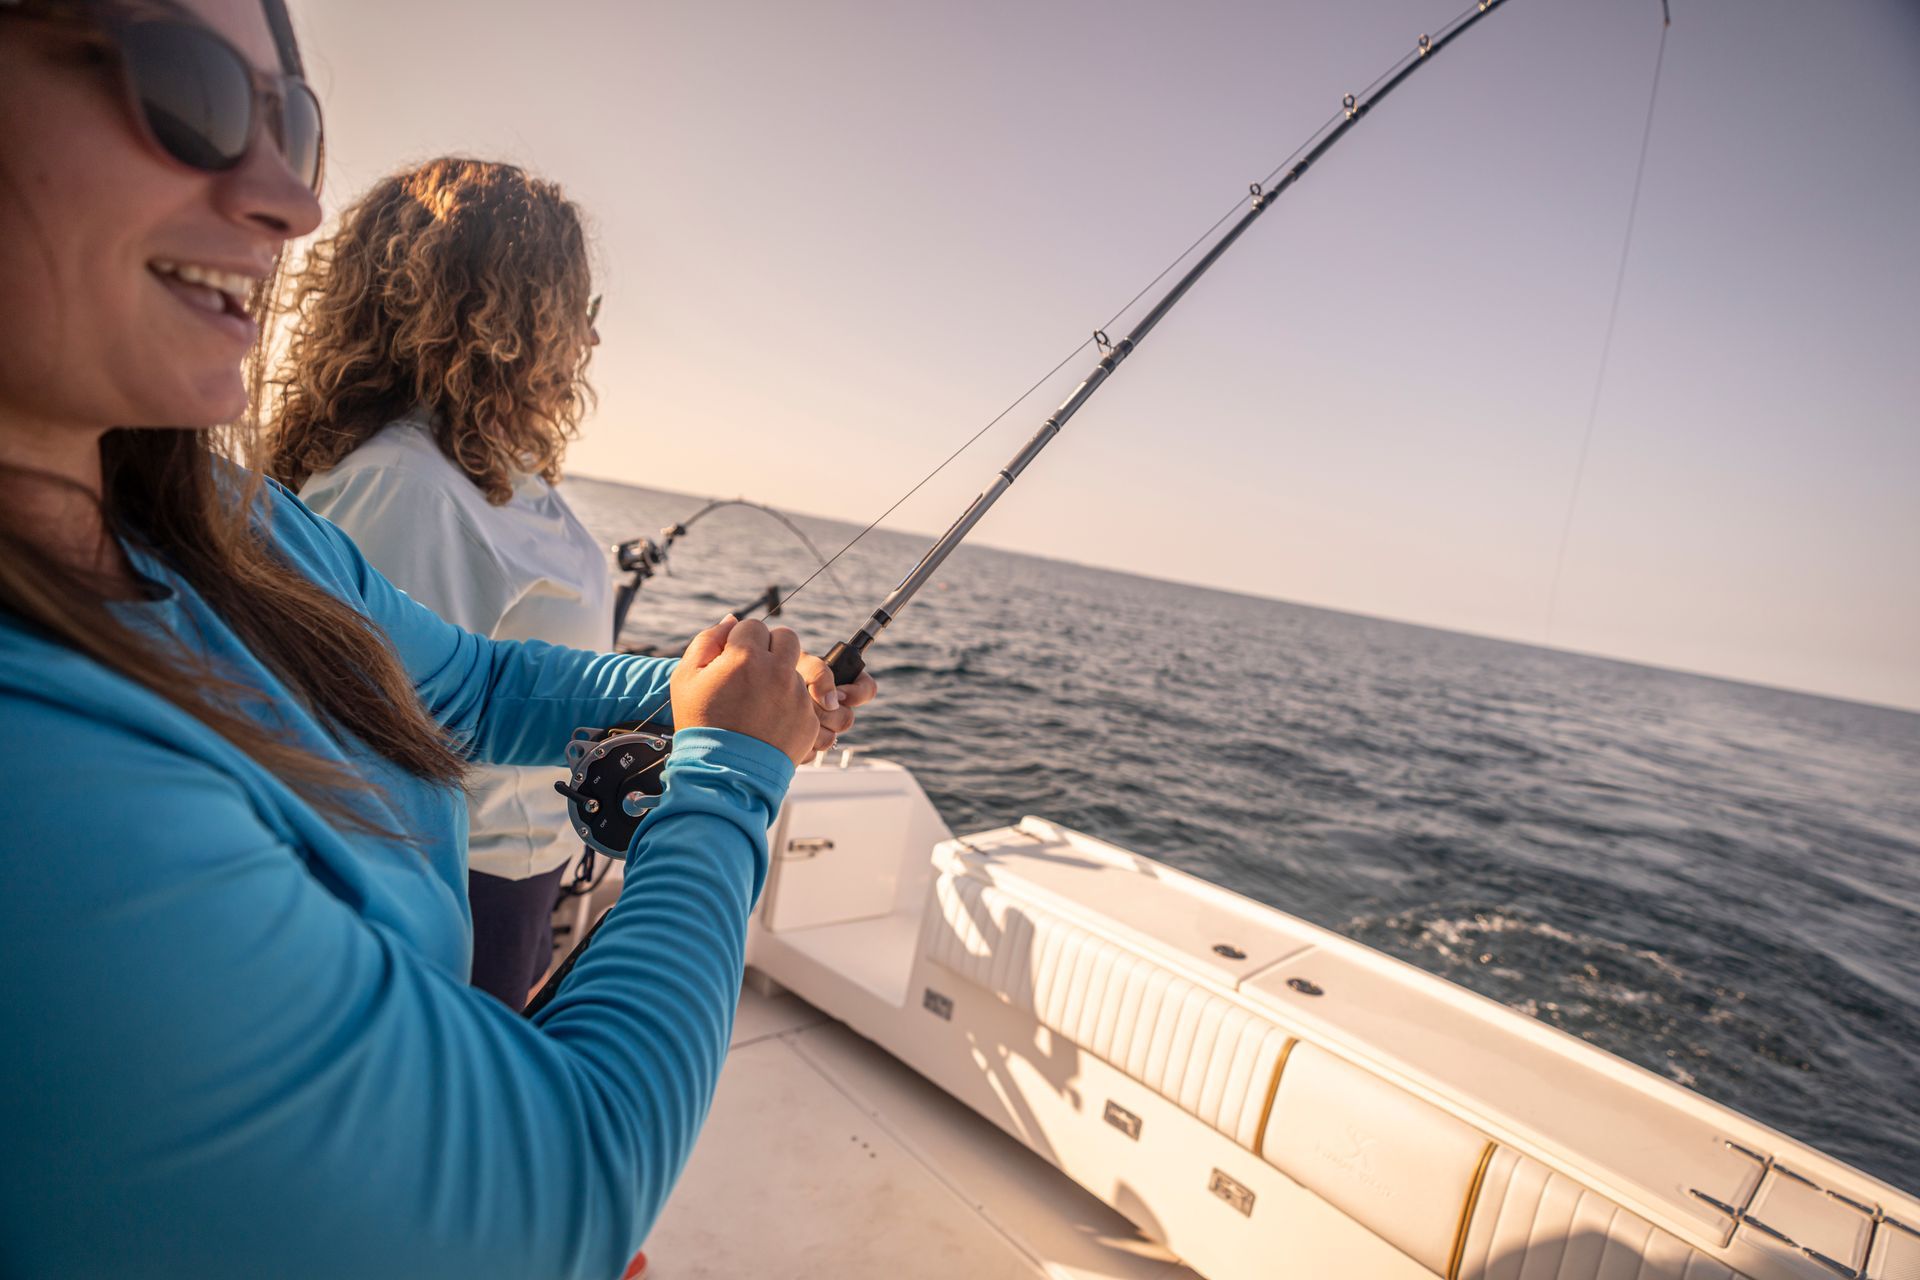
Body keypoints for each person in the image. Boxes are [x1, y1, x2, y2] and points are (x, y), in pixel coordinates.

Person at [0, 2, 874, 1277]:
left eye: (292, 127)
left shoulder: (216, 512)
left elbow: (470, 678)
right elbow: (566, 1181)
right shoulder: (43, 799)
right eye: (182, 91)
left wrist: (714, 697)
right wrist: (730, 778)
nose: (289, 203)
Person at [266, 157, 636, 1008]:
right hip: (464, 892)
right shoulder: (406, 486)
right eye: (577, 308)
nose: (591, 338)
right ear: (505, 312)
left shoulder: (493, 468)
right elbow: (372, 750)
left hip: (527, 871)